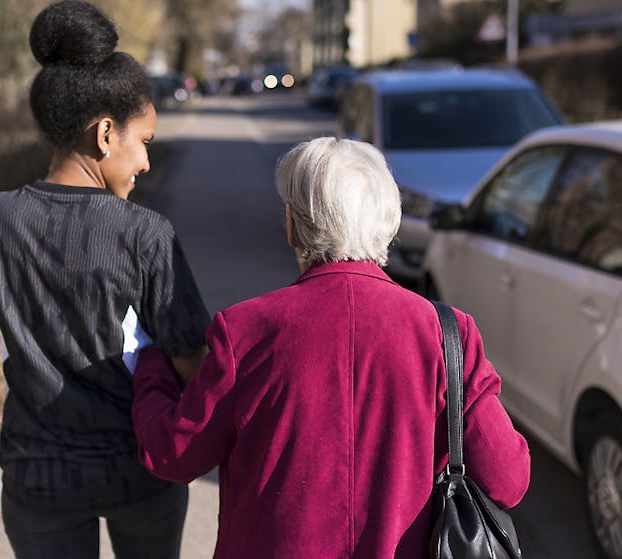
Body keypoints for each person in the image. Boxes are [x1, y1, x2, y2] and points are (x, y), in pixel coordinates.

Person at [131, 137, 531, 558]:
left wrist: (151, 365)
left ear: (293, 225)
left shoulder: (245, 330)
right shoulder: (448, 334)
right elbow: (508, 478)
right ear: (387, 220)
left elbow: (174, 454)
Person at [0, 2, 209, 557]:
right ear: (105, 134)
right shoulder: (144, 233)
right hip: (139, 468)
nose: (146, 162)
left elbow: (3, 310)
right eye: (143, 140)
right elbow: (190, 357)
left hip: (36, 470)